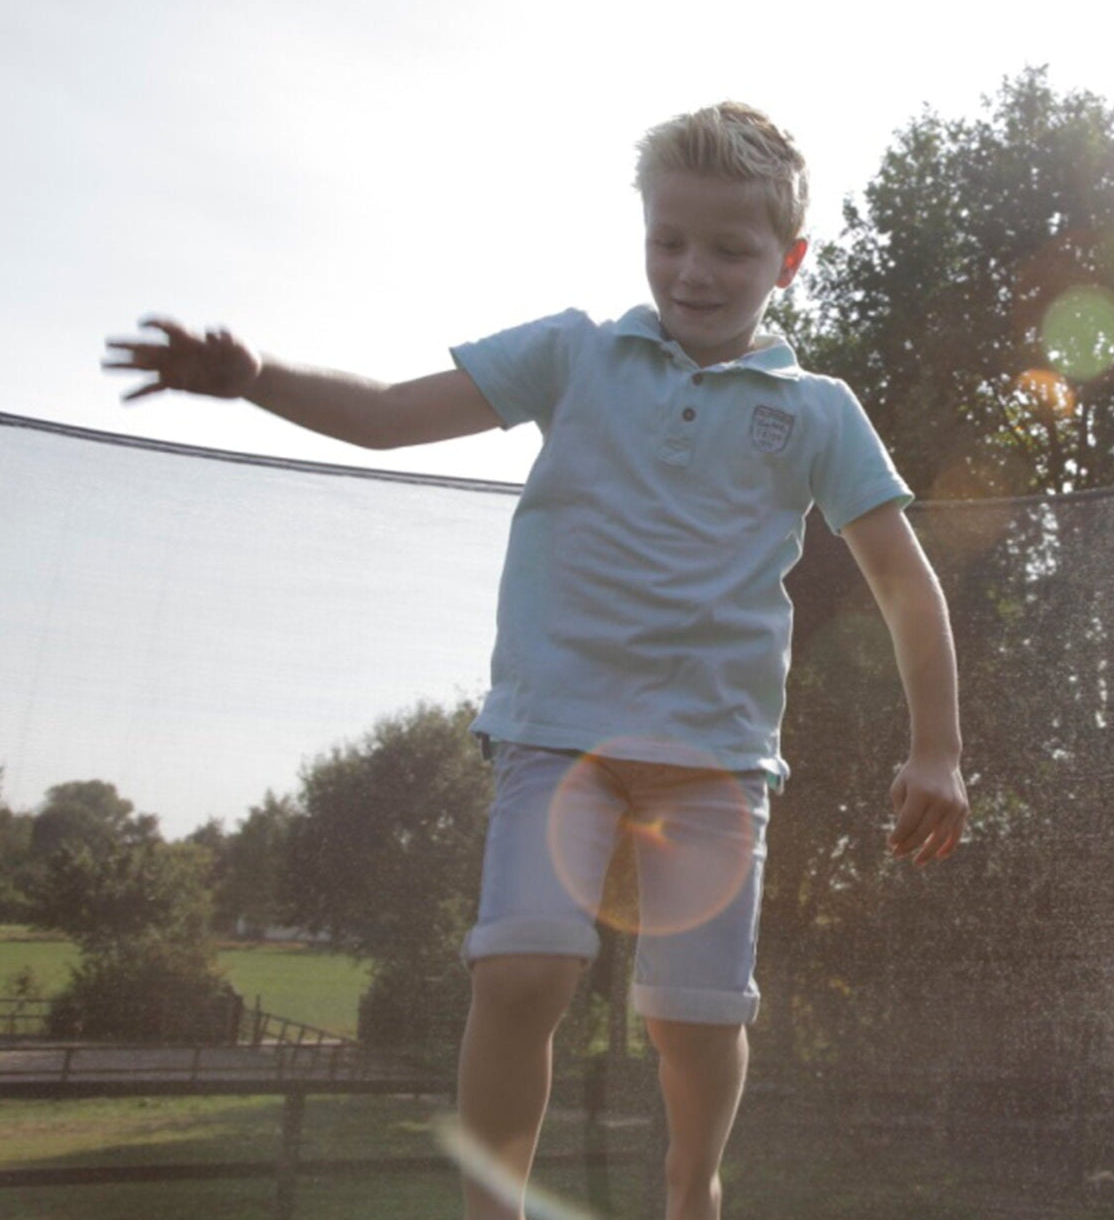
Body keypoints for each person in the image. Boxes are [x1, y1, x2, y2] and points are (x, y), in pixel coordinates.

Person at [103, 101, 968, 1220]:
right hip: (558, 729)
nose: (693, 270)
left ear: (788, 261)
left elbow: (902, 576)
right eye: (669, 241)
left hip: (714, 759)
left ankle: (691, 1183)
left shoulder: (817, 413)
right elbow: (386, 416)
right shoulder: (573, 354)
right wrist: (258, 375)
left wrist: (936, 749)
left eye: (730, 248)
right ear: (644, 234)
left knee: (694, 1018)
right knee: (522, 970)